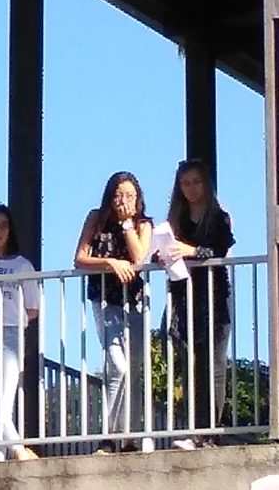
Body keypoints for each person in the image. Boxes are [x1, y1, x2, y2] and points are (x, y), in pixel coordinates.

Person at [73, 171, 154, 452]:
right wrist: (110, 263)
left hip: (135, 300)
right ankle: (108, 436)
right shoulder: (96, 219)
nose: (124, 201)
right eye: (119, 195)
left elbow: (140, 257)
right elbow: (80, 258)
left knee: (132, 368)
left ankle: (129, 436)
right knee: (116, 365)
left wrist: (127, 225)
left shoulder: (143, 224)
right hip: (105, 299)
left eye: (130, 195)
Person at [160, 159, 235, 448]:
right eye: (185, 183)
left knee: (213, 365)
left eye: (196, 182)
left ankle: (210, 432)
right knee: (188, 363)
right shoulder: (176, 220)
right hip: (183, 294)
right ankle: (193, 429)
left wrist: (191, 250)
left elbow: (222, 247)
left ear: (206, 184)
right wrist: (164, 255)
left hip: (214, 295)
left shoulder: (218, 217)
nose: (191, 188)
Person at [0, 205, 41, 461]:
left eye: (3, 225)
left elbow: (33, 308)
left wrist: (14, 318)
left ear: (10, 229)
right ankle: (16, 447)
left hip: (12, 333)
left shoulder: (23, 265)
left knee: (5, 398)